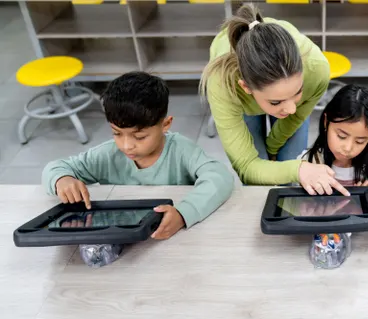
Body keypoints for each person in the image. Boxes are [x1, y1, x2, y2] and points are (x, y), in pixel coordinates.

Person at [42, 71, 235, 239]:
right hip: (121, 237)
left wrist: (184, 213)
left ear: (165, 124)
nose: (126, 146)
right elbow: (55, 167)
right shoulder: (108, 154)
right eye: (117, 133)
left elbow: (220, 177)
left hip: (171, 236)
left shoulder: (182, 151)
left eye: (140, 136)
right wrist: (62, 179)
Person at [200, 3, 349, 197]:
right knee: (257, 185)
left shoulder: (316, 70)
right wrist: (297, 168)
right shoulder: (222, 83)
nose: (291, 109)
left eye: (298, 92)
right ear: (246, 87)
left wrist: (275, 150)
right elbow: (247, 167)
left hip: (280, 73)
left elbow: (294, 117)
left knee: (289, 166)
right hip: (239, 95)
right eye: (276, 102)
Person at [300, 84, 368, 187]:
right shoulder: (306, 163)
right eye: (341, 136)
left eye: (360, 141)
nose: (348, 148)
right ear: (326, 122)